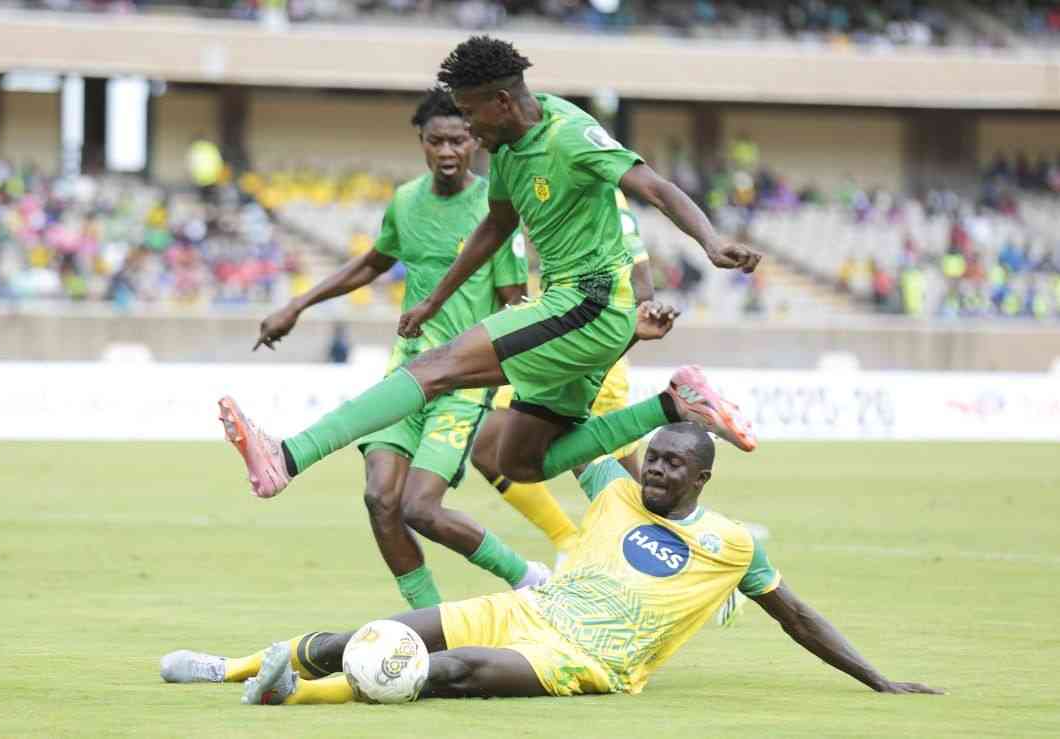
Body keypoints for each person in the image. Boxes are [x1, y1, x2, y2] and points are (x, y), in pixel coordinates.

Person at [217, 35, 760, 503]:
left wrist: (711, 243)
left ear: (502, 102)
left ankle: (288, 456)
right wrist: (434, 299)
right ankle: (674, 403)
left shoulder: (568, 134)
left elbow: (654, 187)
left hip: (587, 302)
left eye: (471, 114)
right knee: (520, 462)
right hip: (578, 310)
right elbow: (495, 227)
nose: (469, 129)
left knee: (436, 367)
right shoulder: (506, 150)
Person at [160, 424, 943, 702]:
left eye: (672, 464)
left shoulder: (733, 544)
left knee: (449, 670)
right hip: (528, 610)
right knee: (370, 635)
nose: (655, 470)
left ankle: (289, 697)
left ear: (702, 477)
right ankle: (230, 666)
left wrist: (876, 678)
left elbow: (797, 616)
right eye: (652, 457)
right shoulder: (615, 487)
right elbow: (558, 433)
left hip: (587, 659)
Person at [245, 88, 551, 607]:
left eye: (458, 140)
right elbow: (372, 264)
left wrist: (513, 378)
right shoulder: (406, 201)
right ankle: (431, 623)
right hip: (406, 375)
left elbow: (514, 302)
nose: (448, 151)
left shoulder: (494, 210)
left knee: (419, 508)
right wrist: (298, 305)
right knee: (380, 499)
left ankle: (528, 578)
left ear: (474, 141)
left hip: (461, 384)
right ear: (422, 142)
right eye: (437, 141)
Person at [470, 189, 655, 561]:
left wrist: (605, 349)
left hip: (591, 348)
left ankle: (681, 556)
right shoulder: (547, 183)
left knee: (620, 487)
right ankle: (568, 542)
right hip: (551, 344)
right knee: (488, 449)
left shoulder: (604, 193)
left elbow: (643, 287)